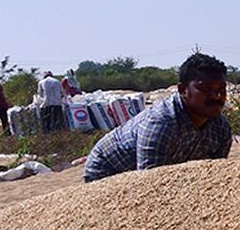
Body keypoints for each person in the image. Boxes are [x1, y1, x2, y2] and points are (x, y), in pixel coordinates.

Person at [83, 53, 232, 182]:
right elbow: (150, 184)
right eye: (205, 89)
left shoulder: (221, 128)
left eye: (221, 89)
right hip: (108, 172)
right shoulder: (161, 123)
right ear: (182, 90)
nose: (216, 96)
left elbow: (215, 175)